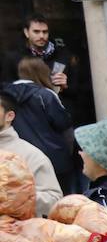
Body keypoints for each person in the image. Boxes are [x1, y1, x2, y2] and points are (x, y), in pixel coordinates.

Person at [5, 56, 74, 192]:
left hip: (17, 159)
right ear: (42, 72)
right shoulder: (46, 95)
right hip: (53, 159)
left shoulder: (5, 96)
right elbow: (63, 124)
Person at [0, 91, 61, 217]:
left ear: (9, 116)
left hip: (15, 232)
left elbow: (54, 200)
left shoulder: (31, 155)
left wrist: (15, 195)